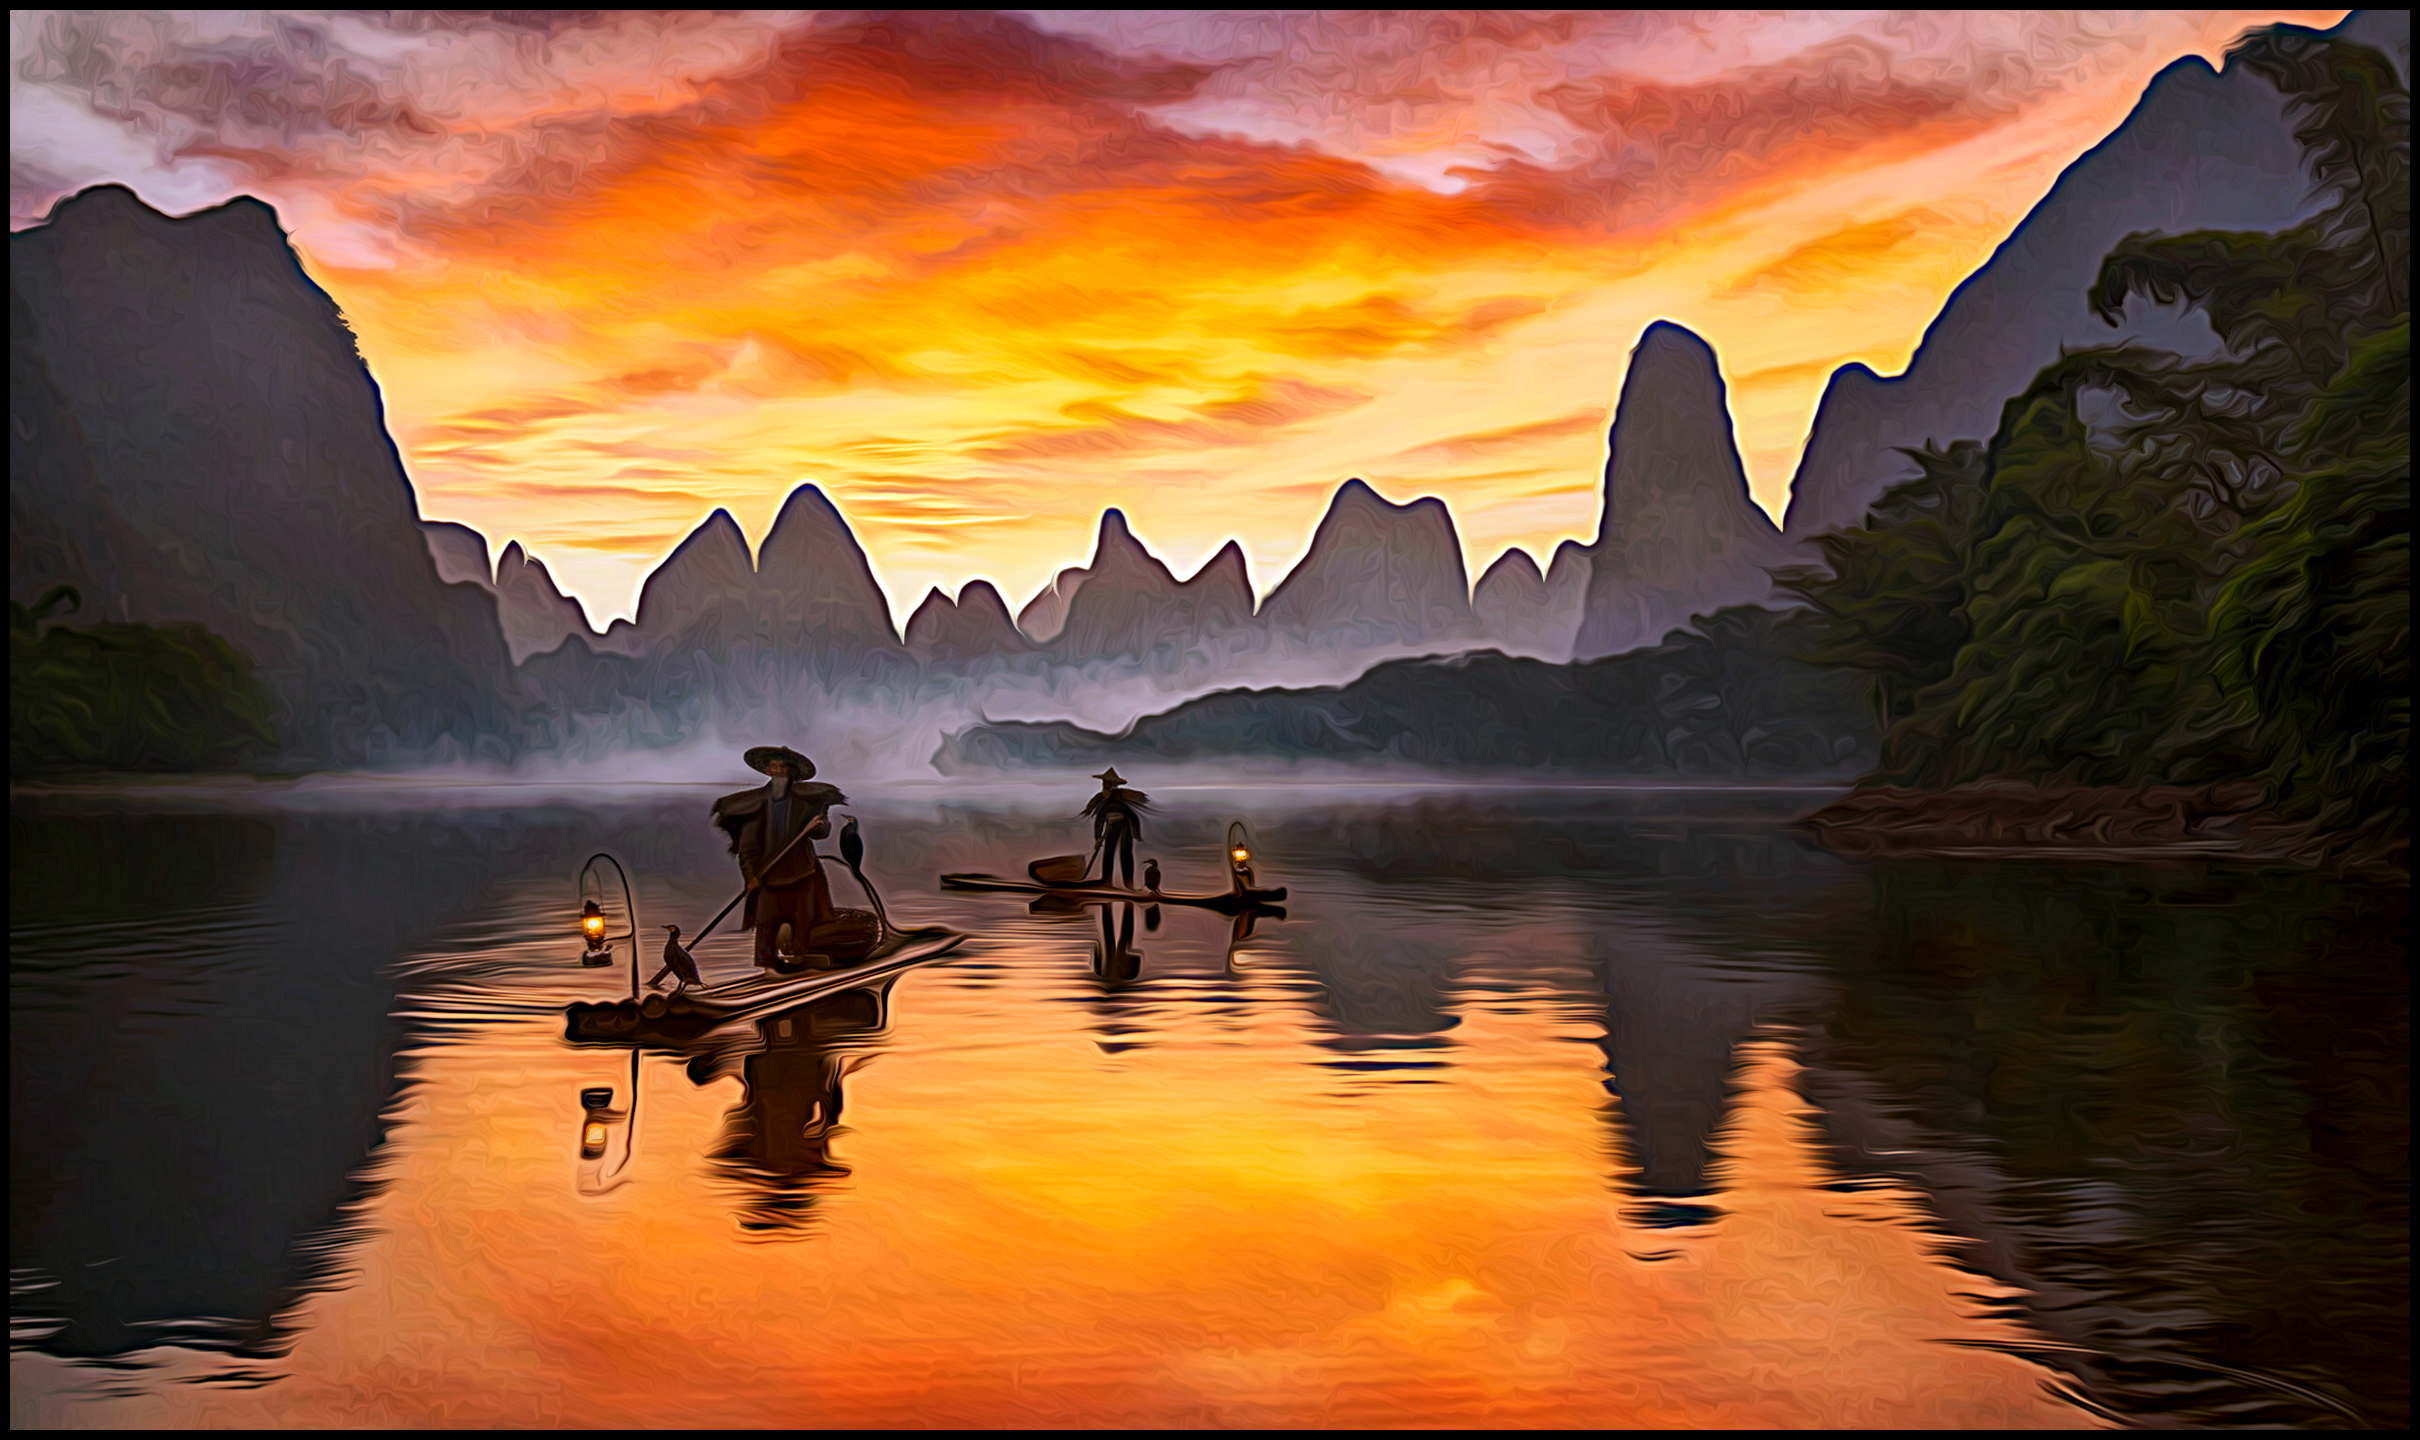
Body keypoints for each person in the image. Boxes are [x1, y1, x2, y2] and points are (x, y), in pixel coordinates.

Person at [713, 745, 845, 972]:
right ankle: (769, 970)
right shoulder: (755, 805)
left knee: (805, 923)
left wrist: (820, 824)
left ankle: (801, 964)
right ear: (768, 771)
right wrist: (750, 877)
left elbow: (821, 832)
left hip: (802, 872)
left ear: (791, 771)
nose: (779, 771)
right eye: (774, 767)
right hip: (769, 877)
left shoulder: (808, 800)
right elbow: (747, 848)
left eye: (783, 767)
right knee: (767, 926)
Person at [1082, 768, 1151, 889]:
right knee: (1108, 854)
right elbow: (1100, 819)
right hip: (1110, 830)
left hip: (1125, 829)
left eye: (1107, 783)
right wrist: (1097, 837)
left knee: (1125, 855)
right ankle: (1106, 881)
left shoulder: (1123, 799)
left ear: (1114, 785)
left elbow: (1133, 815)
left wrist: (1121, 819)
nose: (1104, 785)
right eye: (1104, 783)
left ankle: (1129, 884)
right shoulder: (1101, 799)